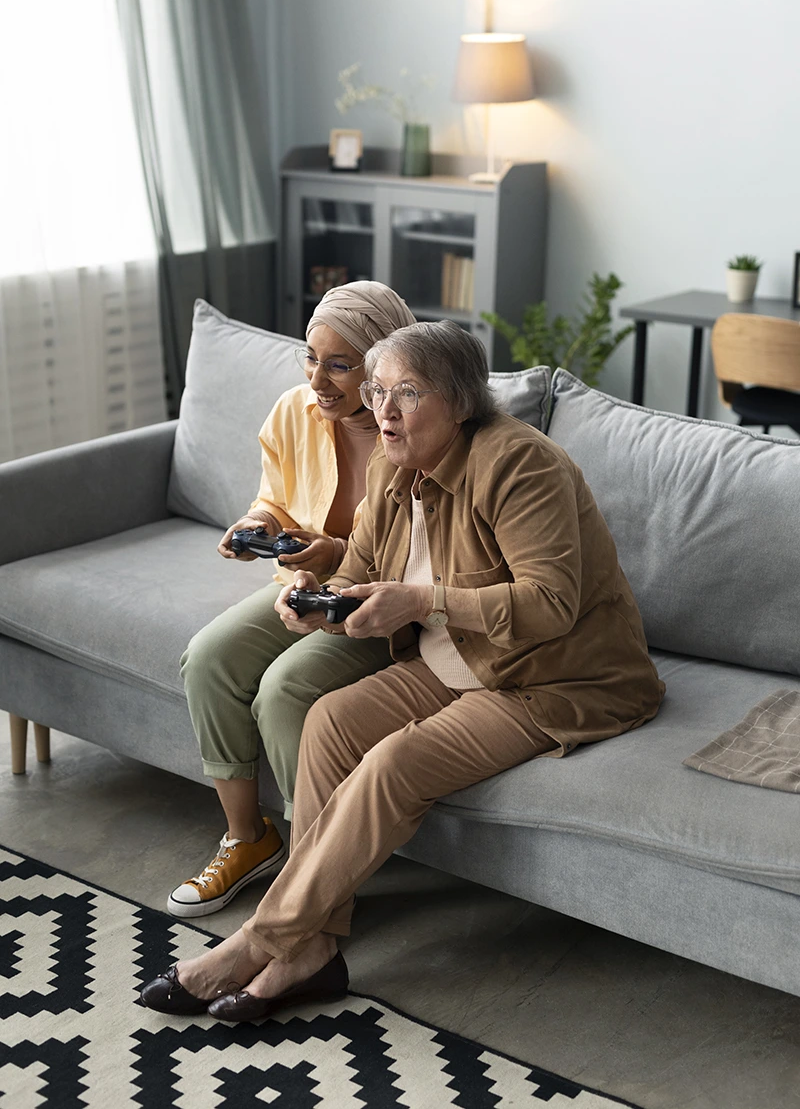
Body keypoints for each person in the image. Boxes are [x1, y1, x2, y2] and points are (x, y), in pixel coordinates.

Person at [141, 320, 665, 1018]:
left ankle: (256, 942)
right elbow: (360, 568)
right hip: (456, 660)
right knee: (327, 719)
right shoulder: (394, 464)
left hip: (549, 676)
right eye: (378, 390)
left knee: (394, 763)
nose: (382, 410)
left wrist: (419, 600)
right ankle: (314, 949)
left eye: (407, 394)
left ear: (458, 401)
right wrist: (317, 606)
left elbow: (550, 605)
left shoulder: (520, 464)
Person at [167, 281, 416, 919]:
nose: (319, 379)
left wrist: (332, 557)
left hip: (377, 605)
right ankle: (248, 839)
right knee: (209, 658)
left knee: (284, 688)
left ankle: (313, 872)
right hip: (304, 586)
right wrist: (260, 526)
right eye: (311, 357)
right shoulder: (294, 411)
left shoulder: (413, 435)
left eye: (340, 364)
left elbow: (415, 560)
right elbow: (276, 497)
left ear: (384, 368)